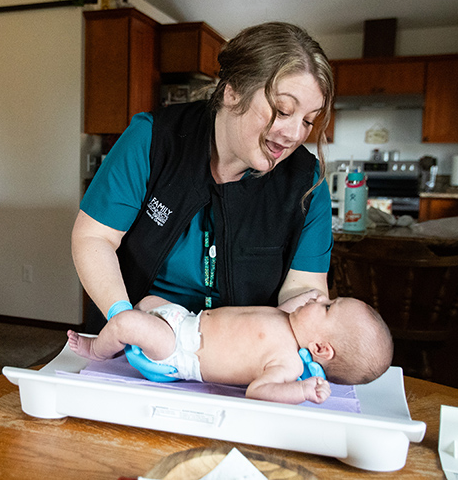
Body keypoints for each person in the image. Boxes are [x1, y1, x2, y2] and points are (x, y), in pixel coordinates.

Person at [72, 21, 335, 342]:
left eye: (309, 119)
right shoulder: (153, 139)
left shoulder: (308, 182)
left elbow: (304, 288)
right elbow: (95, 237)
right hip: (135, 340)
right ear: (232, 91)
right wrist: (123, 320)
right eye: (282, 110)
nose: (295, 134)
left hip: (242, 352)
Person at [67, 291, 393, 405]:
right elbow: (304, 299)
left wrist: (302, 391)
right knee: (148, 302)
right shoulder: (289, 318)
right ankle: (125, 333)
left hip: (180, 352)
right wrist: (311, 305)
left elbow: (259, 391)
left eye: (327, 307)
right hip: (185, 320)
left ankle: (97, 349)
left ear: (321, 347)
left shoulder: (287, 363)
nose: (319, 297)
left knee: (127, 323)